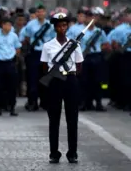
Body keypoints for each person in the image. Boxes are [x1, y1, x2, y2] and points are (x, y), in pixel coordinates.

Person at [40, 13, 83, 164]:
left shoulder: (74, 44)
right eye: (59, 25)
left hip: (70, 79)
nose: (62, 28)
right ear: (55, 27)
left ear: (67, 26)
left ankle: (72, 152)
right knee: (54, 118)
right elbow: (45, 67)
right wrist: (55, 75)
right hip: (55, 81)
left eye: (64, 25)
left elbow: (79, 65)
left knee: (72, 118)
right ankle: (54, 153)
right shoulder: (48, 45)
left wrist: (71, 76)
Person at [0, 17, 21, 116]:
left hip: (10, 63)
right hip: (0, 63)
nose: (8, 27)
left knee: (12, 86)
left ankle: (12, 107)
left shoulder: (14, 36)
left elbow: (17, 48)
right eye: (6, 24)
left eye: (9, 25)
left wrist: (14, 59)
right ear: (2, 25)